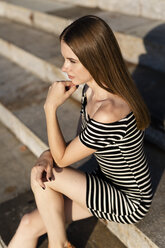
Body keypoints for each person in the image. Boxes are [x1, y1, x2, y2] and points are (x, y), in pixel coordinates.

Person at [8, 15, 153, 248]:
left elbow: (63, 158)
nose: (65, 68)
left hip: (127, 199)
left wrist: (50, 107)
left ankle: (59, 244)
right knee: (27, 223)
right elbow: (73, 145)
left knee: (43, 176)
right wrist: (46, 155)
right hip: (104, 180)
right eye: (65, 59)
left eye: (72, 61)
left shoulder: (110, 111)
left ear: (95, 59)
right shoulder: (90, 91)